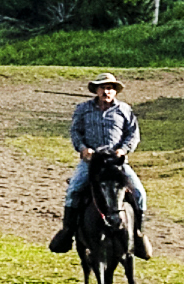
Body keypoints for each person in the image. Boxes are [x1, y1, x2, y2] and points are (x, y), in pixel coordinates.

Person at [55, 72, 150, 259]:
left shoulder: (124, 110)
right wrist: (83, 149)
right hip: (91, 162)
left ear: (115, 91)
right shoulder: (83, 109)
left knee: (139, 192)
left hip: (116, 161)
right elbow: (75, 131)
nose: (106, 91)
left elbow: (133, 134)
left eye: (110, 88)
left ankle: (138, 233)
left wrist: (123, 150)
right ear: (96, 90)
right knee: (74, 190)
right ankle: (67, 233)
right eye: (103, 88)